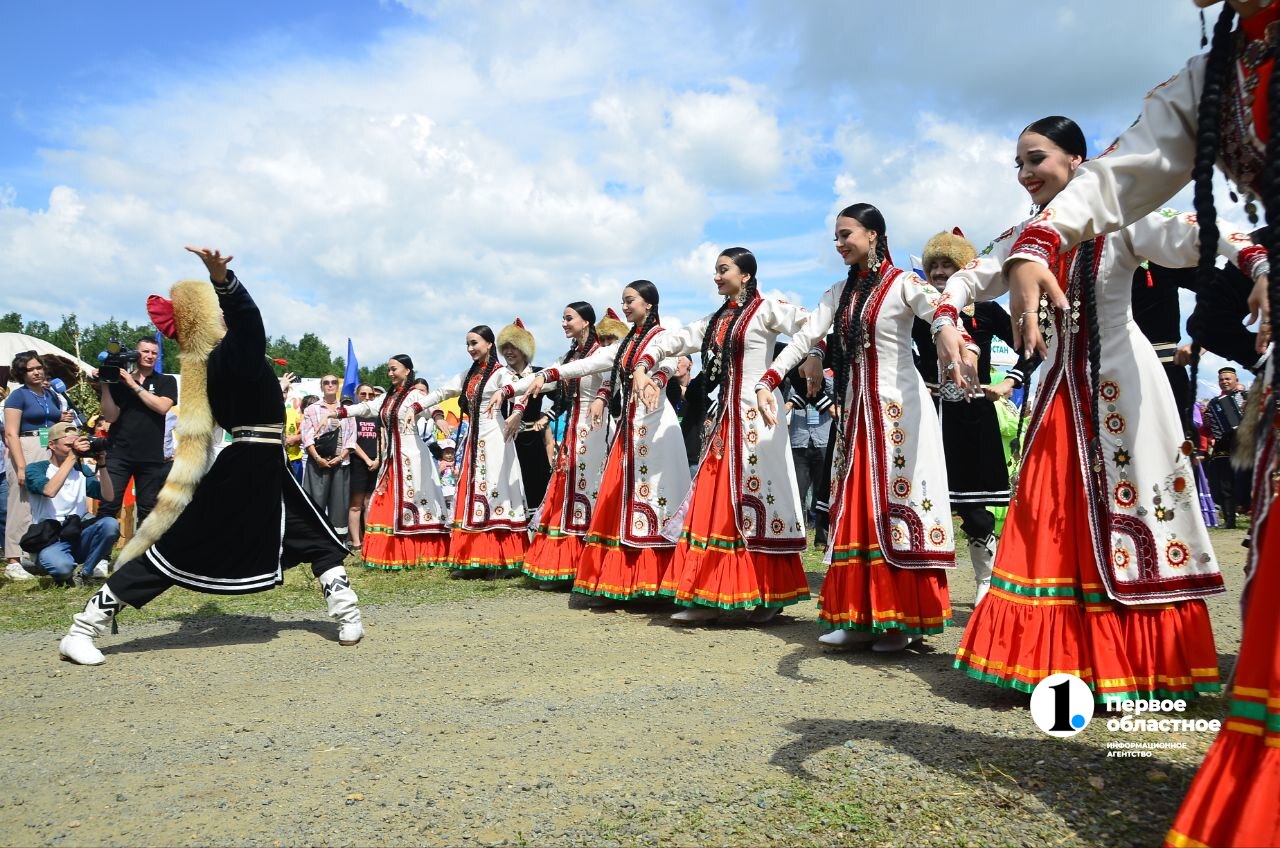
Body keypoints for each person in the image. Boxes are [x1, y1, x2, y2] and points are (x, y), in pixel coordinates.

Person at [934, 116, 1255, 703]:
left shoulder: (1119, 218)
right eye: (1019, 164)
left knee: (1136, 514)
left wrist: (1258, 263)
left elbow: (1198, 235)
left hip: (1122, 388)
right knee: (1047, 517)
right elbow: (969, 278)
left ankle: (1137, 662)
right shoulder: (1023, 237)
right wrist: (947, 319)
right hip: (1058, 393)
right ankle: (1054, 659)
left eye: (1037, 158)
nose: (1025, 173)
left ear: (1076, 160)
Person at [58, 247, 363, 666]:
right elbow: (250, 320)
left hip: (264, 464)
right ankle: (83, 628)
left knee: (313, 535)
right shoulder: (230, 355)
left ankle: (347, 613)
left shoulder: (215, 363)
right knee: (177, 549)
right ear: (207, 320)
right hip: (246, 467)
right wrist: (223, 279)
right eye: (216, 312)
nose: (223, 316)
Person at [758, 204, 958, 652]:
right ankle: (857, 616)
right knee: (856, 509)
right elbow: (807, 336)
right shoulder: (838, 293)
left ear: (873, 235)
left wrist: (952, 333)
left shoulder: (903, 283)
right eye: (836, 236)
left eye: (846, 234)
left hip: (898, 411)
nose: (840, 243)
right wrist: (770, 378)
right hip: (855, 413)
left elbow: (939, 309)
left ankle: (902, 619)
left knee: (898, 505)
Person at [631, 248, 814, 624]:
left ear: (745, 274)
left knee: (761, 502)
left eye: (723, 269)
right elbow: (673, 341)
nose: (716, 276)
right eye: (715, 270)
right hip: (724, 423)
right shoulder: (715, 320)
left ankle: (770, 593)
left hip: (758, 420)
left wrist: (814, 354)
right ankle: (707, 594)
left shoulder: (767, 309)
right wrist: (643, 367)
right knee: (712, 503)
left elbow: (810, 325)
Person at [508, 282, 692, 603]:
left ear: (649, 304)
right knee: (618, 497)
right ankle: (624, 581)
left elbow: (667, 362)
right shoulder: (625, 345)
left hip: (657, 426)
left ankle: (660, 582)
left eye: (630, 300)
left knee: (658, 497)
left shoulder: (662, 336)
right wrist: (544, 376)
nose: (625, 306)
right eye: (623, 301)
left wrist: (655, 381)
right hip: (628, 428)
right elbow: (588, 364)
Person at [911, 228, 1040, 605]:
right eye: (934, 265)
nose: (939, 272)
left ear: (963, 269)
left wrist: (1009, 382)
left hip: (971, 413)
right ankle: (922, 587)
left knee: (974, 504)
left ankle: (986, 579)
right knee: (920, 498)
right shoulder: (916, 308)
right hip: (926, 413)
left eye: (947, 265)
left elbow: (1031, 347)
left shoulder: (985, 309)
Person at [490, 302, 610, 586]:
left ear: (586, 321)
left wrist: (601, 398)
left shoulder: (601, 352)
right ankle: (566, 565)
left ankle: (593, 566)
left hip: (596, 428)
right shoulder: (567, 357)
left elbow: (608, 381)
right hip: (573, 432)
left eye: (569, 318)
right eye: (563, 318)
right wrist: (509, 393)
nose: (564, 323)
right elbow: (539, 381)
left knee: (590, 490)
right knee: (566, 492)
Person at [418, 327, 528, 575]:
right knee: (472, 493)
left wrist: (517, 413)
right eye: (467, 344)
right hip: (474, 440)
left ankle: (502, 559)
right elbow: (441, 393)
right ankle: (472, 558)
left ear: (489, 344)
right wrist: (419, 407)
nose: (470, 349)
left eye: (474, 343)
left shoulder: (501, 373)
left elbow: (520, 391)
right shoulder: (468, 375)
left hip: (496, 438)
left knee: (495, 491)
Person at [333, 360, 449, 571]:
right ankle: (390, 553)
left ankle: (420, 553)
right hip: (392, 457)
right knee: (384, 500)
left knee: (415, 502)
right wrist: (338, 412)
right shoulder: (388, 397)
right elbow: (366, 407)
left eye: (394, 369)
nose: (390, 373)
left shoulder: (414, 394)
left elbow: (431, 406)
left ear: (407, 370)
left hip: (412, 456)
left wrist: (439, 418)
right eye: (388, 369)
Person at [96, 336, 178, 531]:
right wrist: (105, 384)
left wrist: (133, 385)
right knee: (108, 506)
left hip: (151, 457)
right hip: (119, 453)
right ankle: (101, 549)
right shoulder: (119, 381)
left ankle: (143, 550)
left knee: (148, 511)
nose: (150, 356)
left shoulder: (166, 380)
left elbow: (162, 407)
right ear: (135, 353)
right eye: (145, 351)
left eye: (154, 353)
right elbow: (111, 417)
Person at [23, 422, 119, 587]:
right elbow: (49, 490)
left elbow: (108, 496)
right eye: (69, 445)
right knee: (62, 568)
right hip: (51, 539)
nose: (74, 448)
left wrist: (102, 464)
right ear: (52, 445)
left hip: (77, 533)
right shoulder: (35, 469)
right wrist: (73, 456)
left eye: (76, 444)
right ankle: (50, 565)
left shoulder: (80, 470)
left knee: (110, 524)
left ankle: (85, 573)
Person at [4, 352, 72, 581]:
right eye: (30, 369)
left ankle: (35, 554)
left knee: (45, 504)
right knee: (21, 503)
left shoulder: (50, 394)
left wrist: (61, 420)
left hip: (48, 447)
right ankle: (13, 560)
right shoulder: (18, 396)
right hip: (26, 446)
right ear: (21, 374)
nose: (36, 372)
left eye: (39, 367)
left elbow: (49, 422)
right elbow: (11, 433)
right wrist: (21, 466)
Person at [497, 318, 553, 510]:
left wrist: (547, 417)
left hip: (532, 441)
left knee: (536, 488)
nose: (508, 352)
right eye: (505, 347)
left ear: (525, 348)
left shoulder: (539, 374)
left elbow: (564, 398)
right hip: (504, 441)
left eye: (513, 347)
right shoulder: (498, 375)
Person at [785, 362, 836, 549]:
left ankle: (822, 538)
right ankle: (796, 534)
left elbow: (830, 392)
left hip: (822, 442)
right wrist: (802, 384)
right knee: (797, 492)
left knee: (823, 492)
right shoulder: (793, 382)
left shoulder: (828, 378)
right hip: (799, 442)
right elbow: (789, 400)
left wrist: (816, 377)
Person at [301, 375, 356, 542]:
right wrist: (318, 458)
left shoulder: (347, 410)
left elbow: (352, 437)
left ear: (338, 386)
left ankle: (338, 542)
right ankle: (314, 541)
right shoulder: (311, 409)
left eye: (333, 382)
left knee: (339, 505)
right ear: (321, 386)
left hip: (341, 462)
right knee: (315, 502)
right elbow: (307, 437)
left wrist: (341, 457)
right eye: (326, 382)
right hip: (318, 463)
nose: (330, 385)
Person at [1204, 366, 1252, 528]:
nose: (1224, 382)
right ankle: (1229, 520)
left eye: (1227, 379)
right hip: (1224, 443)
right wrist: (1209, 422)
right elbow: (1209, 426)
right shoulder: (1214, 402)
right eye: (1221, 380)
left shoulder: (1246, 396)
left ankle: (1251, 513)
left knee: (1247, 480)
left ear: (1236, 380)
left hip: (1245, 443)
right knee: (1225, 482)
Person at [346, 383, 382, 551]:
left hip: (375, 463)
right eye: (363, 394)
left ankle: (369, 539)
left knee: (369, 503)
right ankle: (356, 541)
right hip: (359, 463)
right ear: (357, 395)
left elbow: (381, 438)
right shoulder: (353, 415)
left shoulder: (377, 415)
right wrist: (367, 460)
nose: (367, 397)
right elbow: (351, 441)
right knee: (356, 504)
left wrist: (378, 458)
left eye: (371, 395)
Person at [281, 372, 304, 483]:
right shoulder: (266, 412)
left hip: (294, 460)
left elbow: (308, 433)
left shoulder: (293, 412)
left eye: (285, 392)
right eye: (281, 391)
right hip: (274, 460)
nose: (283, 395)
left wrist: (296, 438)